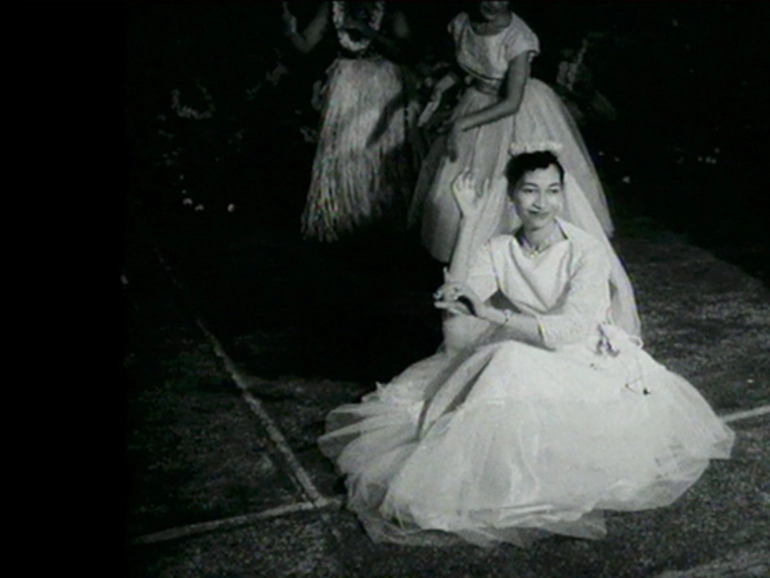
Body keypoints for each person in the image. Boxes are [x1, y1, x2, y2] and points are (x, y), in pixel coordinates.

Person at [318, 149, 734, 548]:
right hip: (521, 346)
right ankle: (490, 475)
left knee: (509, 361)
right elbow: (457, 303)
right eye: (530, 190)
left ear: (564, 194)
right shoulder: (500, 248)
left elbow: (570, 329)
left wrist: (494, 316)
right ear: (512, 196)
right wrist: (467, 221)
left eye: (553, 190)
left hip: (584, 357)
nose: (542, 202)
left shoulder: (585, 250)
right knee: (504, 363)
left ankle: (513, 480)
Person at [409, 2, 613, 273]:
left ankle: (522, 265)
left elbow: (512, 102)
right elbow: (465, 67)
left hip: (513, 112)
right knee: (456, 192)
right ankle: (471, 262)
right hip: (475, 101)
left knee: (511, 188)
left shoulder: (519, 37)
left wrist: (461, 124)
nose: (492, 5)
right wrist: (439, 89)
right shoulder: (461, 23)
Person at [281, 2, 420, 242]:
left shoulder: (390, 7)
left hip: (382, 86)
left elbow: (406, 52)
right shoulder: (333, 5)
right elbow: (305, 45)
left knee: (378, 153)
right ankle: (344, 220)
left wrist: (368, 32)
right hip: (346, 86)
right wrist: (290, 30)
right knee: (345, 153)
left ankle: (380, 220)